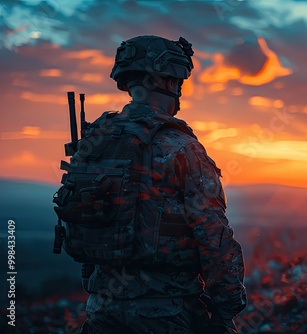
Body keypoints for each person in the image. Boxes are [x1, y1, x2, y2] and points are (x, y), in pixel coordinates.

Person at [78, 35, 247, 333]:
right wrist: (226, 309)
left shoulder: (96, 141)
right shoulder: (180, 147)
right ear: (170, 82)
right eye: (179, 83)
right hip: (165, 312)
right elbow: (214, 237)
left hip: (101, 307)